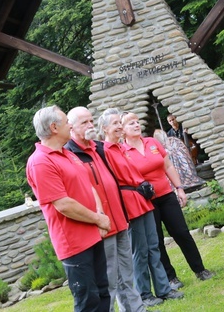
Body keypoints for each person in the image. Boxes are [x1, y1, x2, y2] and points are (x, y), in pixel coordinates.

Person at [26, 106, 111, 312]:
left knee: (102, 292)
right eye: (66, 122)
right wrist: (98, 219)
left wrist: (99, 215)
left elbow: (88, 185)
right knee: (87, 301)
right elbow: (63, 204)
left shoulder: (67, 153)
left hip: (92, 234)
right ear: (54, 127)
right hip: (74, 243)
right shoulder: (40, 162)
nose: (71, 125)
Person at [120, 114, 215, 291]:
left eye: (137, 122)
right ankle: (171, 278)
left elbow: (168, 166)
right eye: (131, 123)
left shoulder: (152, 142)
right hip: (145, 202)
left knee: (182, 233)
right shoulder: (122, 152)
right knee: (156, 241)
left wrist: (179, 188)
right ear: (122, 129)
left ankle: (200, 269)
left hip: (166, 195)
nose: (136, 125)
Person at [101, 110, 184, 308]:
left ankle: (163, 288)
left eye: (119, 123)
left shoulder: (121, 148)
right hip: (130, 202)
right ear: (104, 128)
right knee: (140, 251)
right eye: (115, 124)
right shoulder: (105, 151)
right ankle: (145, 293)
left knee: (154, 245)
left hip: (143, 198)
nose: (119, 127)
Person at [65, 107, 145, 312]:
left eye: (91, 121)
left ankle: (136, 309)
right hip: (101, 224)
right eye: (84, 123)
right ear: (71, 127)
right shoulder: (70, 154)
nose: (90, 125)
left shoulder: (99, 147)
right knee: (108, 279)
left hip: (119, 218)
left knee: (127, 272)